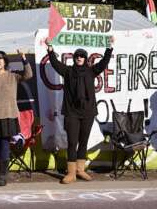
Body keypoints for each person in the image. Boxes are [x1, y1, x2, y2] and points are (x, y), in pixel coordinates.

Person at [45, 38, 114, 184]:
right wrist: (50, 48)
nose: (79, 58)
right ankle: (71, 173)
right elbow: (56, 64)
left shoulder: (91, 71)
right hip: (72, 113)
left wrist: (109, 47)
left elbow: (103, 63)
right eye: (77, 56)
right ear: (74, 58)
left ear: (86, 58)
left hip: (88, 112)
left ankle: (80, 170)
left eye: (82, 56)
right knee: (72, 142)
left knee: (83, 142)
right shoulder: (68, 71)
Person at [0, 50, 32, 189]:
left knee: (4, 148)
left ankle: (2, 177)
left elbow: (28, 74)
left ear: (5, 62)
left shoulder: (12, 76)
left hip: (9, 116)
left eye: (0, 59)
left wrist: (24, 59)